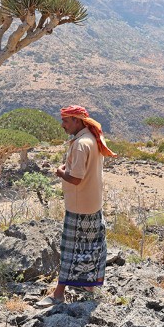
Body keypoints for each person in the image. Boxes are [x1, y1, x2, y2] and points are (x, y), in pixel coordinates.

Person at [36, 105, 117, 308]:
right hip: (92, 203)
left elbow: (76, 179)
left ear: (77, 121)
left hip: (79, 206)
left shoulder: (81, 143)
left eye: (66, 120)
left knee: (70, 250)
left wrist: (60, 172)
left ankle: (58, 294)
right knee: (91, 247)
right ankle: (89, 288)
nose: (62, 125)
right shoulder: (91, 138)